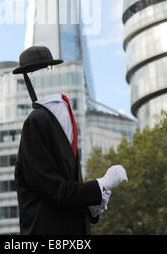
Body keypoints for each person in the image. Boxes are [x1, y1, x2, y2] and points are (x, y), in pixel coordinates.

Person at [13, 46, 128, 235]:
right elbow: (56, 190)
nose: (46, 76)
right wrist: (101, 184)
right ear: (28, 79)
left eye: (49, 69)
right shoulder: (36, 122)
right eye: (38, 71)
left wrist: (92, 205)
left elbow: (65, 187)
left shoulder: (58, 118)